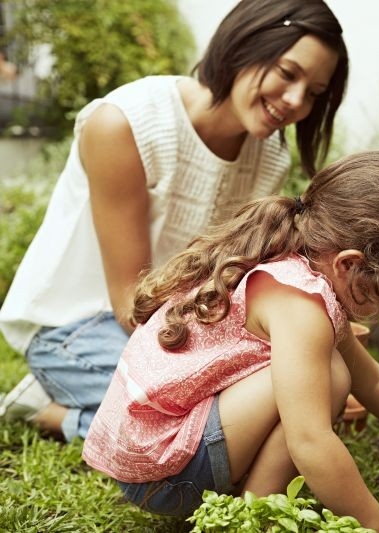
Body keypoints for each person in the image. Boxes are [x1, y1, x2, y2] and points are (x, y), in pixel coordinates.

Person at [0, 0, 348, 442]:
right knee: (215, 424)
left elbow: (233, 277)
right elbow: (131, 301)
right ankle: (49, 411)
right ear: (245, 44)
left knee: (247, 407)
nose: (297, 101)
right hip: (76, 327)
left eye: (314, 92)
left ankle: (66, 413)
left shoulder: (269, 156)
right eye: (287, 73)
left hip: (169, 325)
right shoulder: (124, 123)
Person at [81, 150, 379, 532]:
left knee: (336, 371)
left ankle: (247, 506)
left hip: (151, 455)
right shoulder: (301, 307)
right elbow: (310, 441)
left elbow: (372, 381)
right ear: (349, 263)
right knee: (332, 377)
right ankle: (253, 516)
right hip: (165, 474)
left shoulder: (293, 264)